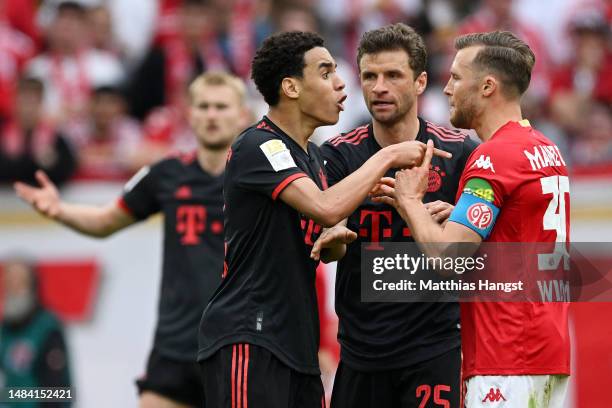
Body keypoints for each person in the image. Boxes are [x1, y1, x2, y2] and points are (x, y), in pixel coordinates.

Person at [197, 31, 451, 408]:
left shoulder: (313, 158)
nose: (340, 82)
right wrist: (387, 156)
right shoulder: (259, 144)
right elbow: (326, 206)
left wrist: (337, 238)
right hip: (250, 337)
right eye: (325, 71)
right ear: (291, 87)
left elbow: (325, 230)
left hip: (298, 346)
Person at [14, 72, 251, 408]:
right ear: (189, 113)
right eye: (204, 106)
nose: (212, 115)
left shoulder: (259, 177)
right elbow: (105, 221)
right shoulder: (167, 173)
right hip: (174, 346)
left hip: (237, 347)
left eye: (221, 107)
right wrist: (59, 211)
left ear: (242, 115)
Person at [373, 31, 571, 407]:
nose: (446, 89)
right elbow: (519, 231)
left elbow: (449, 258)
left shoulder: (492, 157)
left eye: (456, 77)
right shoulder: (546, 149)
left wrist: (410, 201)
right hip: (546, 348)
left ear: (487, 86)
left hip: (508, 353)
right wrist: (458, 215)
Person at [311, 23, 478, 408]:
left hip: (435, 349)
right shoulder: (337, 156)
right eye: (369, 76)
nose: (379, 87)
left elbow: (484, 256)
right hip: (360, 351)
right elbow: (330, 243)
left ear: (420, 82)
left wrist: (462, 219)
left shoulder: (459, 153)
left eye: (392, 75)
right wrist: (333, 238)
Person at [0, 258, 72, 408]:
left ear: (32, 285)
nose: (14, 288)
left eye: (20, 282)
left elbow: (59, 391)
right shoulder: (5, 329)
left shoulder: (47, 326)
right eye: (9, 283)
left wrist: (12, 396)